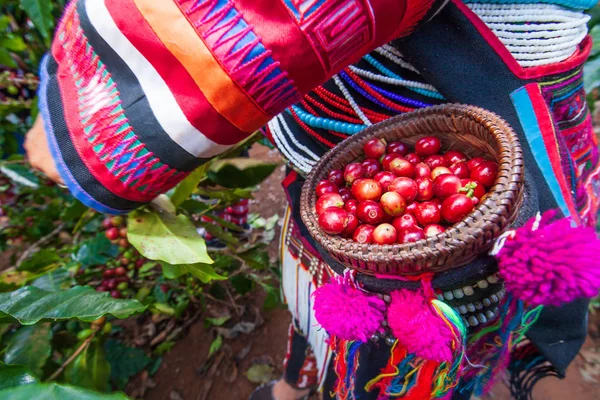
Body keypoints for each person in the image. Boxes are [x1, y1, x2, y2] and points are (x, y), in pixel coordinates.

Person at [24, 1, 600, 399]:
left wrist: (87, 124)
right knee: (340, 268)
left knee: (409, 290)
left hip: (441, 88)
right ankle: (304, 373)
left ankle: (371, 380)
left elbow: (279, 17)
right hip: (461, 100)